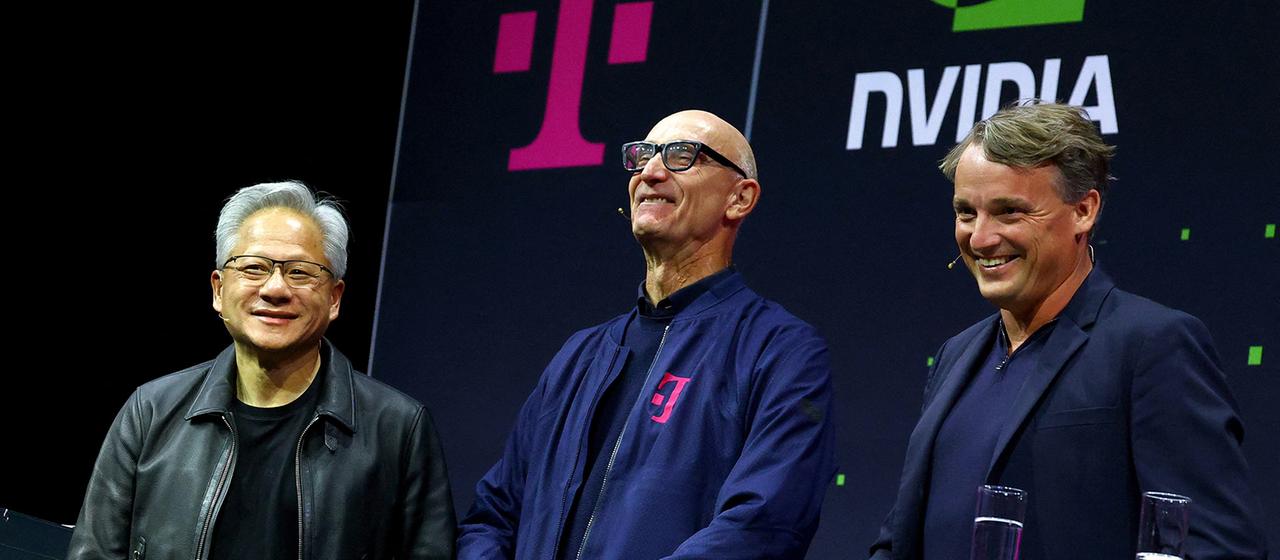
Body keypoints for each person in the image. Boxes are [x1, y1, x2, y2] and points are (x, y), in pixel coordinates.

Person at [870, 102, 1267, 559]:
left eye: (1009, 212)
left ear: (1083, 210)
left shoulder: (1152, 345)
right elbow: (900, 538)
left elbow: (1220, 547)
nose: (980, 238)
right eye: (966, 213)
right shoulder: (954, 356)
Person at [458, 110, 836, 559]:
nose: (651, 172)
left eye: (682, 155)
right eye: (643, 156)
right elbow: (493, 517)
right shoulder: (580, 355)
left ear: (740, 198)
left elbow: (762, 525)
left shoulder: (779, 350)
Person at [67, 181, 455, 559]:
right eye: (253, 268)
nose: (275, 289)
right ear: (219, 290)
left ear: (335, 298)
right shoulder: (151, 411)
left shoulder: (398, 429)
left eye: (300, 272)